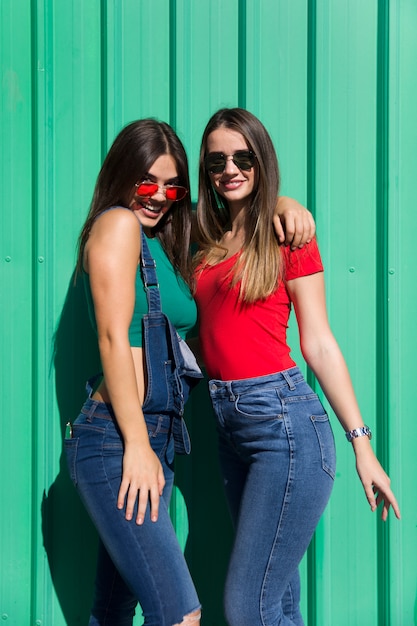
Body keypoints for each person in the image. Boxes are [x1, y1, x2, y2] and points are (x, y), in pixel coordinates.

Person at [64, 118, 312, 626]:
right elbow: (113, 338)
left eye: (172, 185)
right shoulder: (118, 225)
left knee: (112, 608)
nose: (159, 195)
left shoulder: (162, 240)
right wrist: (135, 444)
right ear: (121, 176)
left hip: (152, 436)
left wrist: (284, 206)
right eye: (147, 181)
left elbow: (237, 210)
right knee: (179, 613)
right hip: (118, 436)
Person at [193, 107, 401, 626]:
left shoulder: (288, 234)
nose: (231, 169)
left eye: (244, 157)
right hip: (229, 428)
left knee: (248, 606)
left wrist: (362, 445)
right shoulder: (206, 245)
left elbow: (320, 343)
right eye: (218, 160)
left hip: (283, 425)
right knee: (278, 601)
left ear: (262, 161)